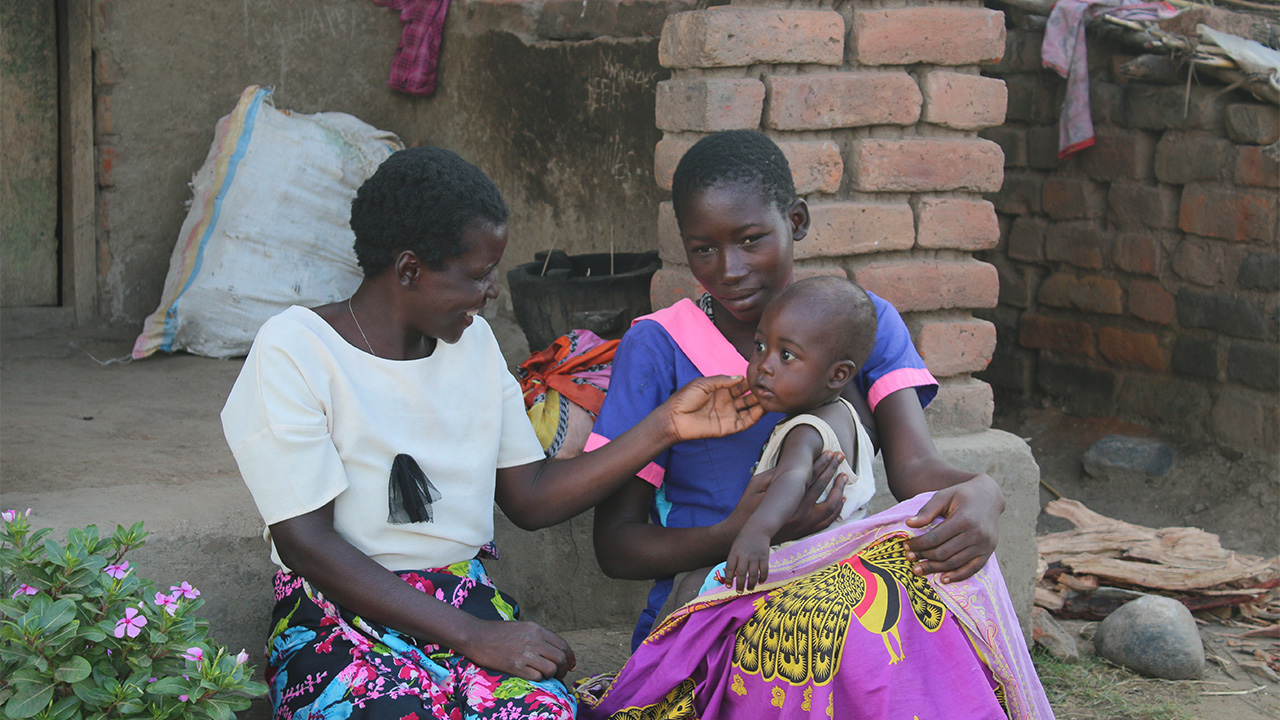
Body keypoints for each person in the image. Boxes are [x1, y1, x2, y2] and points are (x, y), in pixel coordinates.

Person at [219, 146, 767, 719]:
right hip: (335, 613)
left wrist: (665, 426)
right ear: (409, 270)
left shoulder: (474, 345)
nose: (493, 292)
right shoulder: (295, 350)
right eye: (479, 275)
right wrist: (473, 637)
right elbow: (307, 544)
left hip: (463, 598)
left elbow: (529, 497)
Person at [589, 130, 1007, 650]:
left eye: (750, 240)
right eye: (703, 249)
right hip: (711, 606)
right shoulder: (659, 346)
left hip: (833, 599)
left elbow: (914, 470)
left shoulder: (861, 322)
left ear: (796, 222)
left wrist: (982, 490)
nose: (730, 270)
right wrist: (743, 535)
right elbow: (616, 546)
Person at [718, 276, 881, 594]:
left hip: (798, 573)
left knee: (690, 586)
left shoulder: (805, 430)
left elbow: (793, 475)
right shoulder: (845, 415)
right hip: (840, 569)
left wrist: (757, 533)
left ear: (838, 375)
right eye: (761, 347)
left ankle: (655, 647)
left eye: (787, 356)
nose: (764, 365)